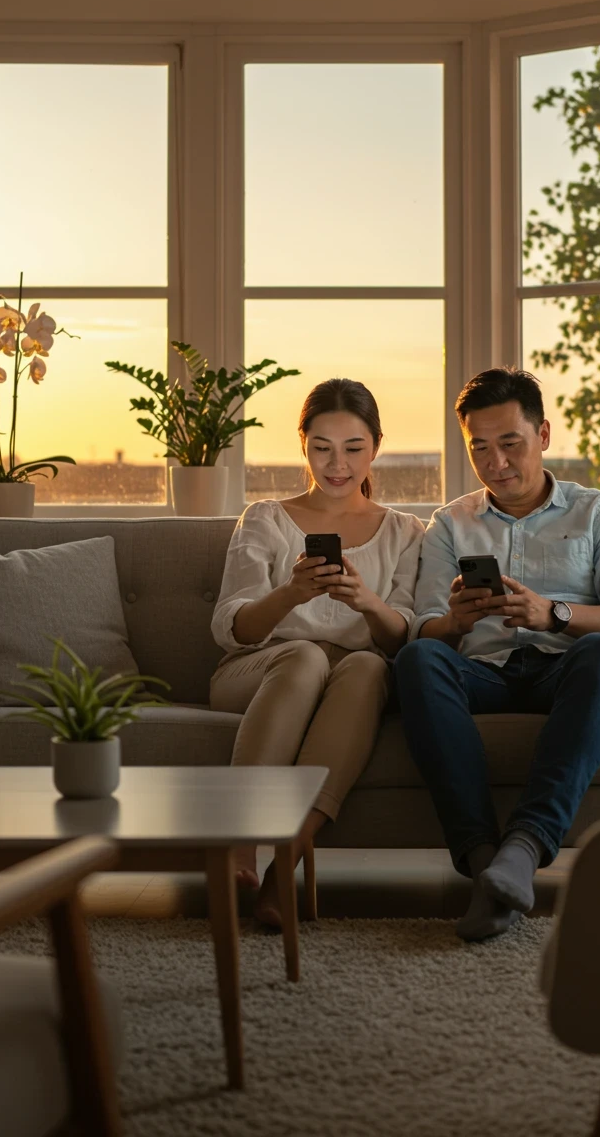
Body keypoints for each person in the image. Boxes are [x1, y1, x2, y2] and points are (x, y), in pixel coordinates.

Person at [392, 367, 600, 942]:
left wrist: (554, 615)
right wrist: (454, 624)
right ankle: (486, 861)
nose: (496, 463)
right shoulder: (449, 524)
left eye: (510, 443)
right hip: (482, 671)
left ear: (543, 434)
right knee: (417, 660)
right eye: (479, 448)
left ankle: (522, 849)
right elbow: (422, 629)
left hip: (566, 671)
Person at [210, 378, 424, 926]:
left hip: (355, 672)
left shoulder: (405, 532)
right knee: (304, 656)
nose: (338, 464)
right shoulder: (264, 518)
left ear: (375, 446)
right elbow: (232, 628)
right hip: (259, 669)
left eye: (354, 448)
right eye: (322, 447)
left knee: (368, 665)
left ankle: (285, 866)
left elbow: (403, 638)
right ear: (302, 443)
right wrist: (292, 593)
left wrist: (367, 602)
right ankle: (239, 843)